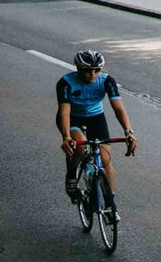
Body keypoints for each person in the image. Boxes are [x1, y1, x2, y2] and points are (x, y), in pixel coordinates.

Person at [56, 49, 137, 201]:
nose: (93, 74)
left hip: (95, 118)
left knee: (105, 159)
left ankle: (110, 203)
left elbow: (118, 107)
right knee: (78, 147)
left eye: (97, 70)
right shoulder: (66, 82)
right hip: (73, 118)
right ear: (78, 68)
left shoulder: (106, 81)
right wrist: (66, 136)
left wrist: (128, 131)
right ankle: (71, 175)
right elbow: (64, 111)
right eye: (88, 70)